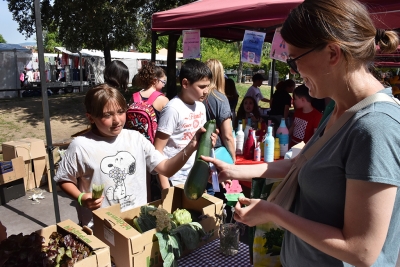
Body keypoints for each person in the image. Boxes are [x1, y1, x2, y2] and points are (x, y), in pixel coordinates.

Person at [202, 0, 400, 266]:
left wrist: (274, 212)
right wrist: (236, 170)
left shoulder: (376, 126)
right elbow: (302, 163)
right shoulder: (337, 107)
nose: (292, 71)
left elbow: (361, 251)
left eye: (295, 60)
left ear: (332, 53)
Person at [54, 83, 216, 227]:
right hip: (100, 226)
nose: (117, 120)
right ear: (90, 117)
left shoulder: (136, 138)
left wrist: (192, 146)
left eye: (120, 112)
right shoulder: (81, 146)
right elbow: (63, 179)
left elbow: (166, 169)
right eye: (107, 115)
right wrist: (81, 197)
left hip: (137, 222)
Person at [154, 59, 212, 190]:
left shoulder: (201, 107)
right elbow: (157, 150)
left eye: (208, 86)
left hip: (194, 175)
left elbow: (201, 141)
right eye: (202, 86)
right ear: (185, 83)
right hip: (174, 178)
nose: (206, 91)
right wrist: (165, 186)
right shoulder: (173, 109)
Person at [205, 59, 236, 162]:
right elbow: (227, 136)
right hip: (216, 152)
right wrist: (233, 159)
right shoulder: (220, 98)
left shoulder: (197, 95)